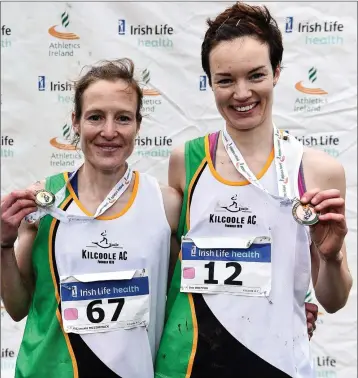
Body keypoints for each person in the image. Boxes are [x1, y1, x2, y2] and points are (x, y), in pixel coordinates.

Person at [155, 3, 352, 378]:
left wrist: (331, 258)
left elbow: (334, 300)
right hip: (189, 363)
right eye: (225, 80)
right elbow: (168, 268)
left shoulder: (318, 170)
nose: (241, 93)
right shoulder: (187, 160)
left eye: (256, 75)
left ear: (277, 72)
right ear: (209, 82)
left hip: (277, 363)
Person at [0, 58, 182, 378]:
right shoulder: (45, 201)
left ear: (138, 124)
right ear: (76, 121)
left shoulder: (165, 204)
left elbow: (190, 296)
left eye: (122, 118)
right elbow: (16, 309)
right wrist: (3, 244)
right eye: (96, 117)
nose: (108, 132)